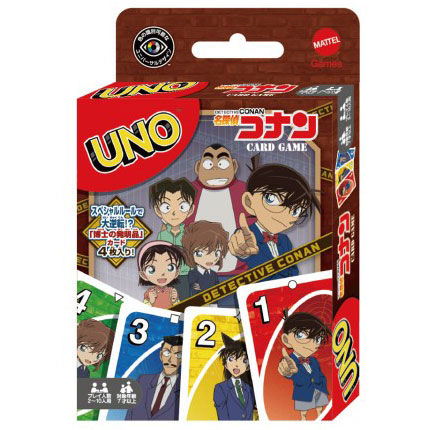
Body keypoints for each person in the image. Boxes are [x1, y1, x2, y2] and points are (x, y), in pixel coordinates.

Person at [229, 155, 320, 281]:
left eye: (296, 211)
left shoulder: (284, 240)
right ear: (249, 202)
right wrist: (245, 254)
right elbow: (245, 252)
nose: (284, 214)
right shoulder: (247, 235)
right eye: (271, 199)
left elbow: (293, 269)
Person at [278, 311, 331, 420]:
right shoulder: (291, 360)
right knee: (304, 412)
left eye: (317, 339)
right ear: (286, 340)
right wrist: (288, 372)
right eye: (301, 335)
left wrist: (322, 384)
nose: (312, 343)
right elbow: (289, 370)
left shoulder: (314, 361)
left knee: (320, 408)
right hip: (303, 391)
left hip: (318, 388)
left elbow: (319, 373)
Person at [150, 178, 196, 300]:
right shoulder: (162, 235)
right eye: (167, 207)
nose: (174, 213)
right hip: (168, 276)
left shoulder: (189, 232)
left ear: (190, 210)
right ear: (158, 211)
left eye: (182, 206)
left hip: (185, 274)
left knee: (184, 301)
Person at [125, 336, 182, 420]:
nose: (170, 360)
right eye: (167, 353)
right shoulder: (142, 381)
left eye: (178, 355)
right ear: (161, 355)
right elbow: (129, 417)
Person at [182, 220, 229, 300]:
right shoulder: (193, 274)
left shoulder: (214, 274)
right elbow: (194, 289)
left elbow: (217, 289)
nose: (210, 258)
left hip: (213, 303)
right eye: (200, 253)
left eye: (216, 253)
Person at [213, 333, 255, 420]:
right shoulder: (221, 389)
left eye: (243, 360)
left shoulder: (250, 389)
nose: (236, 365)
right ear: (225, 364)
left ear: (248, 366)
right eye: (231, 359)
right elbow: (222, 417)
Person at [137, 241, 186, 309]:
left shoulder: (172, 291)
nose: (162, 273)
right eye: (151, 269)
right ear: (143, 275)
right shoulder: (149, 292)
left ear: (177, 272)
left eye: (170, 267)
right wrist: (151, 301)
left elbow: (179, 308)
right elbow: (144, 309)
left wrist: (175, 301)